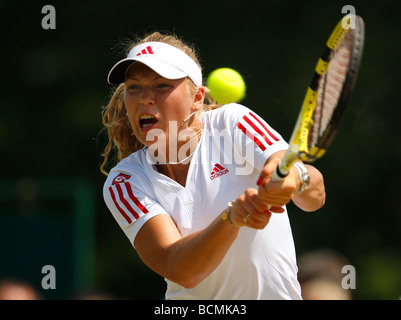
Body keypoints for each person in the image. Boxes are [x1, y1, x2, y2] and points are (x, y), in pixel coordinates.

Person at [100, 31, 326, 300]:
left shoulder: (232, 122)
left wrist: (294, 179)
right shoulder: (124, 182)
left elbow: (314, 197)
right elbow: (180, 269)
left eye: (161, 85)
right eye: (133, 87)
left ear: (197, 99)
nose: (145, 98)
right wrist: (232, 218)